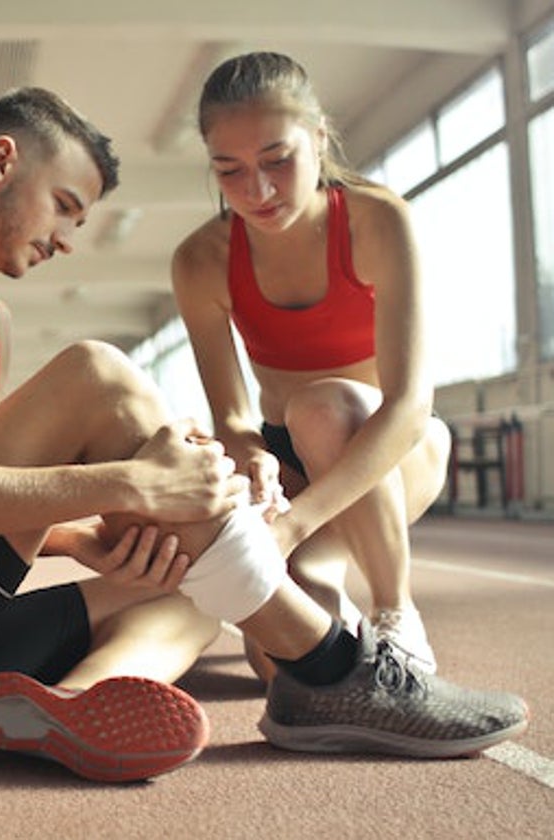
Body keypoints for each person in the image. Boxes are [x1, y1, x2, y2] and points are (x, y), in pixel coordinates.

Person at [0, 87, 527, 784]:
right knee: (96, 375)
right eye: (66, 207)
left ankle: (70, 705)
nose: (69, 240)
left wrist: (87, 539)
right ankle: (332, 667)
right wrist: (129, 486)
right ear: (2, 161)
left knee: (189, 581)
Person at [172, 52, 451, 679]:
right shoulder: (201, 260)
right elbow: (234, 416)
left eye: (277, 160)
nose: (258, 191)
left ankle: (394, 611)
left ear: (319, 139)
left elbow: (409, 407)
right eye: (229, 170)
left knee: (324, 407)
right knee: (281, 666)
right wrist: (251, 457)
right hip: (292, 465)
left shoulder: (380, 222)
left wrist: (295, 525)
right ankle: (328, 581)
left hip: (393, 449)